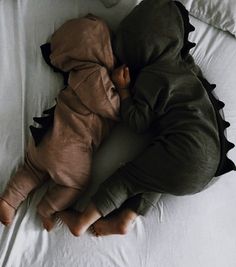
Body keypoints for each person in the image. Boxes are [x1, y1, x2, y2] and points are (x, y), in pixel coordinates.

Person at [56, 0, 235, 237]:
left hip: (190, 152)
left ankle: (82, 220)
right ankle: (126, 220)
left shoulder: (152, 76)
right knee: (157, 175)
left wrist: (123, 91)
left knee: (130, 177)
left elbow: (137, 123)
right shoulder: (186, 67)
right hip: (210, 166)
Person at [0, 14, 120, 231]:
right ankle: (46, 208)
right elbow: (113, 107)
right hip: (70, 147)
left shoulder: (75, 73)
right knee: (76, 184)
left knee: (31, 169)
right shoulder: (95, 75)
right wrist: (124, 91)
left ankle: (9, 201)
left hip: (46, 136)